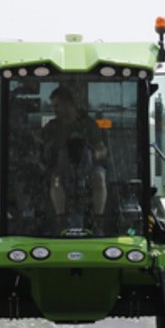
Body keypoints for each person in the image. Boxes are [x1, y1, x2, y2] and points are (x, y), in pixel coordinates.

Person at [42, 86, 107, 225]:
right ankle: (61, 219)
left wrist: (96, 153)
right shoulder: (52, 127)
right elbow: (42, 147)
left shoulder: (89, 124)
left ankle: (98, 219)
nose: (55, 110)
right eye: (53, 106)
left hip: (88, 169)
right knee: (55, 180)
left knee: (99, 177)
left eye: (57, 106)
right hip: (62, 170)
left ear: (69, 103)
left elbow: (101, 148)